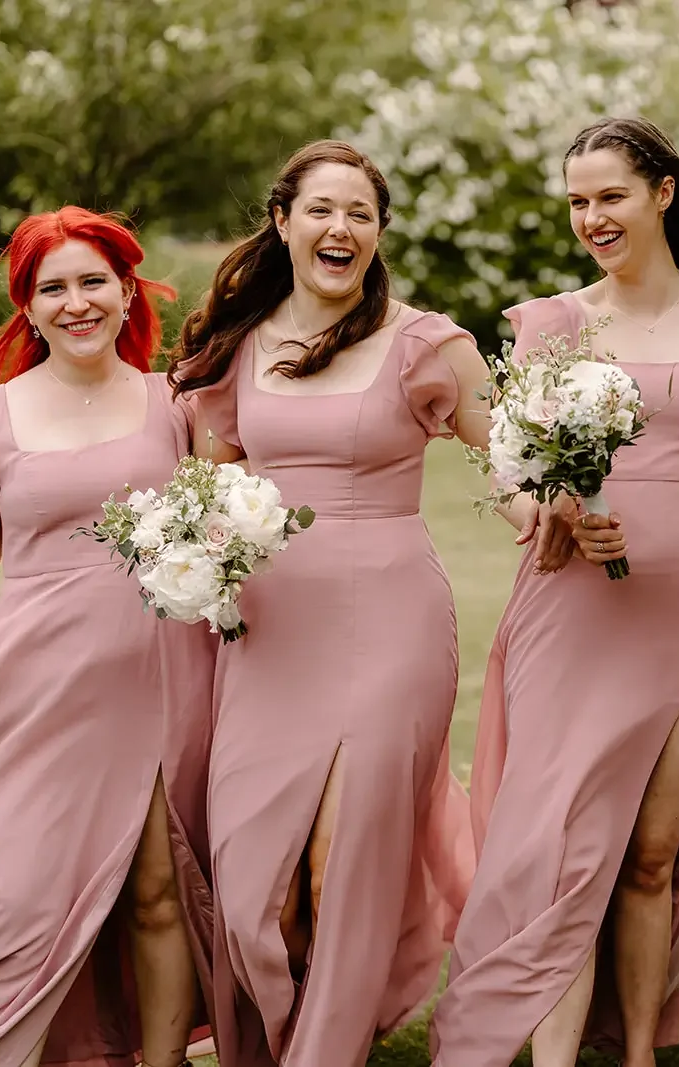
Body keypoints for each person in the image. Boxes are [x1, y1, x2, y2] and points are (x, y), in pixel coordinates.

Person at [431, 116, 679, 1067]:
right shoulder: (551, 325)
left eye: (610, 196)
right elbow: (512, 467)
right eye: (577, 202)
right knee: (562, 849)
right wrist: (550, 506)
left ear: (663, 194)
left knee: (652, 853)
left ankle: (640, 1050)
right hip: (573, 609)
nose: (592, 217)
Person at [168, 140, 480, 1067]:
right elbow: (207, 491)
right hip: (268, 632)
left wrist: (550, 502)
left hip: (391, 621)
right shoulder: (238, 349)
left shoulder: (429, 343)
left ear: (378, 234)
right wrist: (185, 554)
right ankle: (273, 1035)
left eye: (361, 214)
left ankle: (326, 1049)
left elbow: (510, 462)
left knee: (341, 863)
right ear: (283, 222)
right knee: (263, 870)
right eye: (322, 210)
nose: (341, 228)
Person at [0, 208, 214, 1067]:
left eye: (92, 281)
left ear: (126, 288)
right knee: (11, 885)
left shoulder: (171, 401)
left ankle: (165, 1058)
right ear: (26, 306)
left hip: (158, 673)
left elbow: (218, 524)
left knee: (156, 890)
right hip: (32, 684)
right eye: (52, 287)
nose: (76, 303)